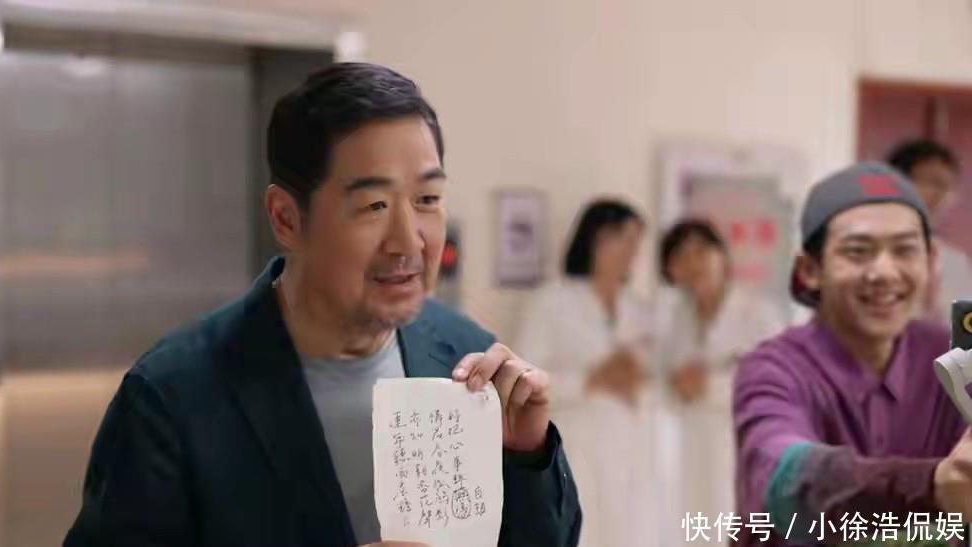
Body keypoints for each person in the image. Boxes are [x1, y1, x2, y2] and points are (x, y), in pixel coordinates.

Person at [63, 63, 581, 547]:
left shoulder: (467, 359)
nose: (409, 241)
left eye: (427, 200)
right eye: (373, 205)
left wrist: (528, 457)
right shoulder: (172, 397)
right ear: (286, 218)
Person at [733, 161, 972, 547]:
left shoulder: (953, 357)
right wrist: (933, 485)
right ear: (810, 269)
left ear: (930, 261)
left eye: (905, 250)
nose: (884, 272)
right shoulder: (774, 369)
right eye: (858, 251)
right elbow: (785, 477)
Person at [514, 199, 655, 547]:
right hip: (576, 445)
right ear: (596, 238)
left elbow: (655, 376)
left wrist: (638, 379)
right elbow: (521, 383)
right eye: (623, 238)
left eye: (636, 242)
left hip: (630, 448)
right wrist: (591, 380)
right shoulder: (551, 302)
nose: (632, 251)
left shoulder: (638, 309)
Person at [653, 220, 784, 544]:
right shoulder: (674, 320)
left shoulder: (759, 314)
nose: (693, 263)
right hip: (691, 447)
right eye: (681, 257)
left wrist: (709, 385)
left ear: (722, 257)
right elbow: (660, 381)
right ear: (670, 272)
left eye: (701, 251)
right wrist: (676, 387)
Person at [887, 138, 972, 326]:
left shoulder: (955, 262)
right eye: (931, 182)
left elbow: (965, 333)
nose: (941, 195)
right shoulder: (867, 252)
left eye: (948, 187)